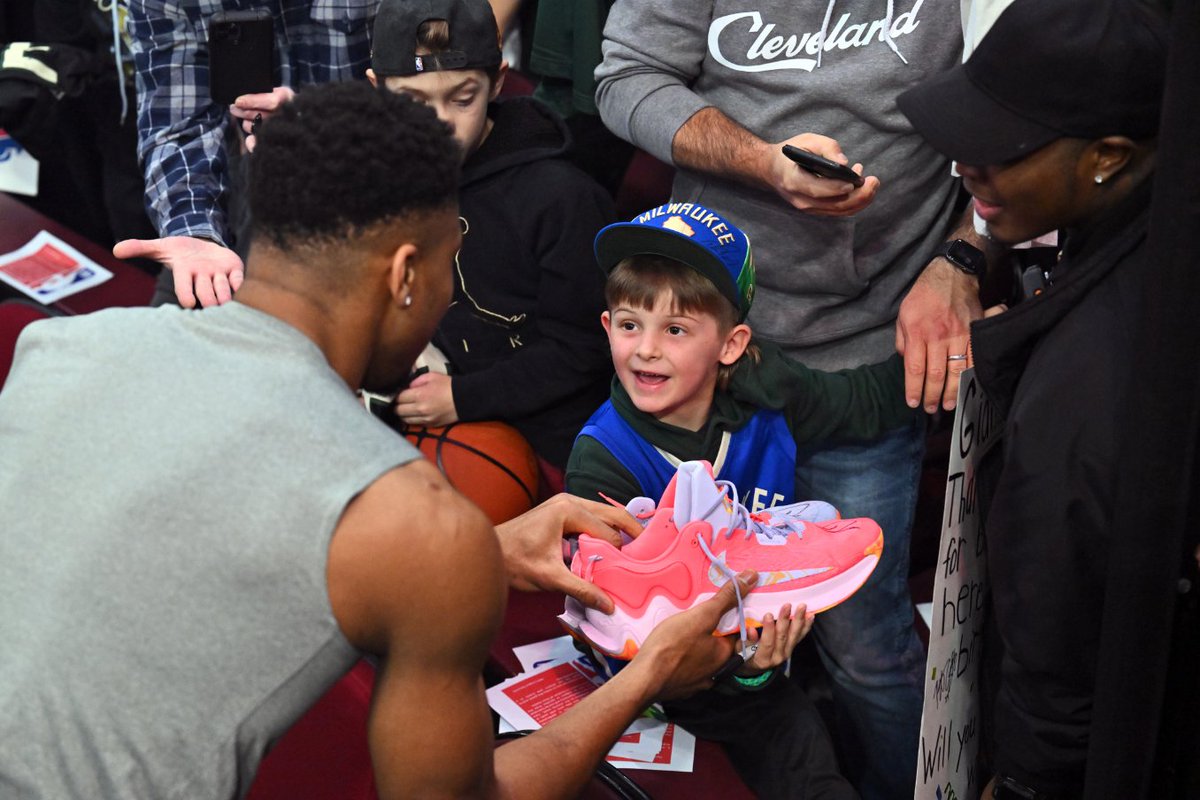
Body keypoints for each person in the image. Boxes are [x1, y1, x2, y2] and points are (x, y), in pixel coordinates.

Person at [0, 81, 758, 799]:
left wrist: (486, 553)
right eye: (445, 267)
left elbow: (176, 550)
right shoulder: (417, 522)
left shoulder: (55, 351)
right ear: (405, 273)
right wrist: (652, 671)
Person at [592, 3, 996, 794]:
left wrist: (965, 257)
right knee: (700, 626)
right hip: (704, 358)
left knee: (867, 645)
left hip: (866, 349)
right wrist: (761, 161)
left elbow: (1027, 111)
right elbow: (625, 78)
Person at [896, 1, 1169, 796]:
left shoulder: (1085, 389)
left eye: (996, 150)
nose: (965, 167)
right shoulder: (1124, 238)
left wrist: (1021, 781)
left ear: (1108, 156)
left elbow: (1057, 640)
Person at [565, 202, 918, 798]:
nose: (646, 349)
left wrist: (973, 352)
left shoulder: (763, 388)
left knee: (812, 763)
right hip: (650, 684)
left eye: (675, 329)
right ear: (607, 328)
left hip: (755, 676)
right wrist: (742, 669)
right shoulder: (603, 456)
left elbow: (857, 403)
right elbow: (616, 634)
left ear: (731, 345)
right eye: (630, 325)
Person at [365, 0, 613, 477]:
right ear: (377, 90)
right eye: (413, 102)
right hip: (431, 412)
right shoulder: (383, 176)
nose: (441, 125)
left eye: (463, 99)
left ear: (498, 81)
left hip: (553, 445)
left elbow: (587, 347)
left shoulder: (561, 197)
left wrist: (463, 398)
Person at [115, 0, 378, 308]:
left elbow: (431, 93)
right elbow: (177, 122)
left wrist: (319, 126)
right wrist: (195, 229)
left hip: (383, 190)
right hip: (253, 189)